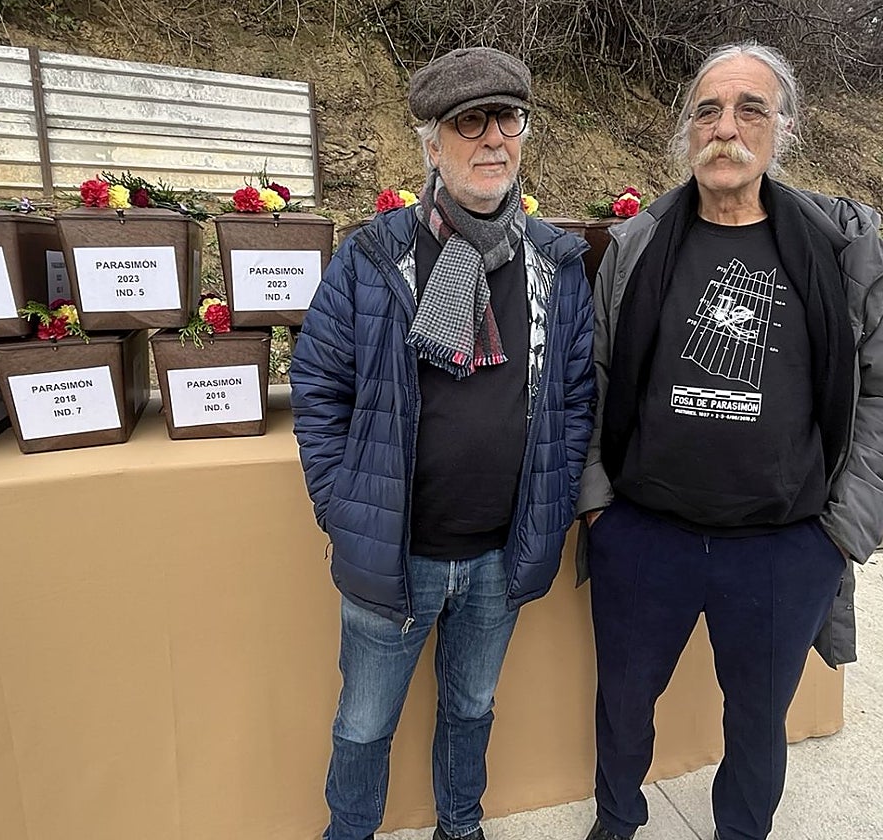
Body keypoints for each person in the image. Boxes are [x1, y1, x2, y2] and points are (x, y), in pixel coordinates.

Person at [577, 42, 883, 840]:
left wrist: (843, 527)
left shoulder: (843, 251)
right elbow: (594, 376)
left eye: (751, 108)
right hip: (645, 536)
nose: (727, 128)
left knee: (757, 727)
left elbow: (880, 391)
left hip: (786, 545)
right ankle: (616, 823)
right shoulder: (639, 245)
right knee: (622, 708)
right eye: (708, 110)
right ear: (687, 133)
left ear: (785, 129)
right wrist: (600, 507)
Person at [290, 46, 595, 840]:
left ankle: (460, 826)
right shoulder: (372, 257)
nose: (495, 139)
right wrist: (341, 502)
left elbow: (573, 401)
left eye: (510, 119)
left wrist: (552, 509)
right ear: (431, 142)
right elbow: (318, 390)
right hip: (394, 556)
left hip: (499, 556)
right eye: (470, 121)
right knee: (363, 724)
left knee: (471, 710)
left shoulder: (556, 265)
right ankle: (349, 833)